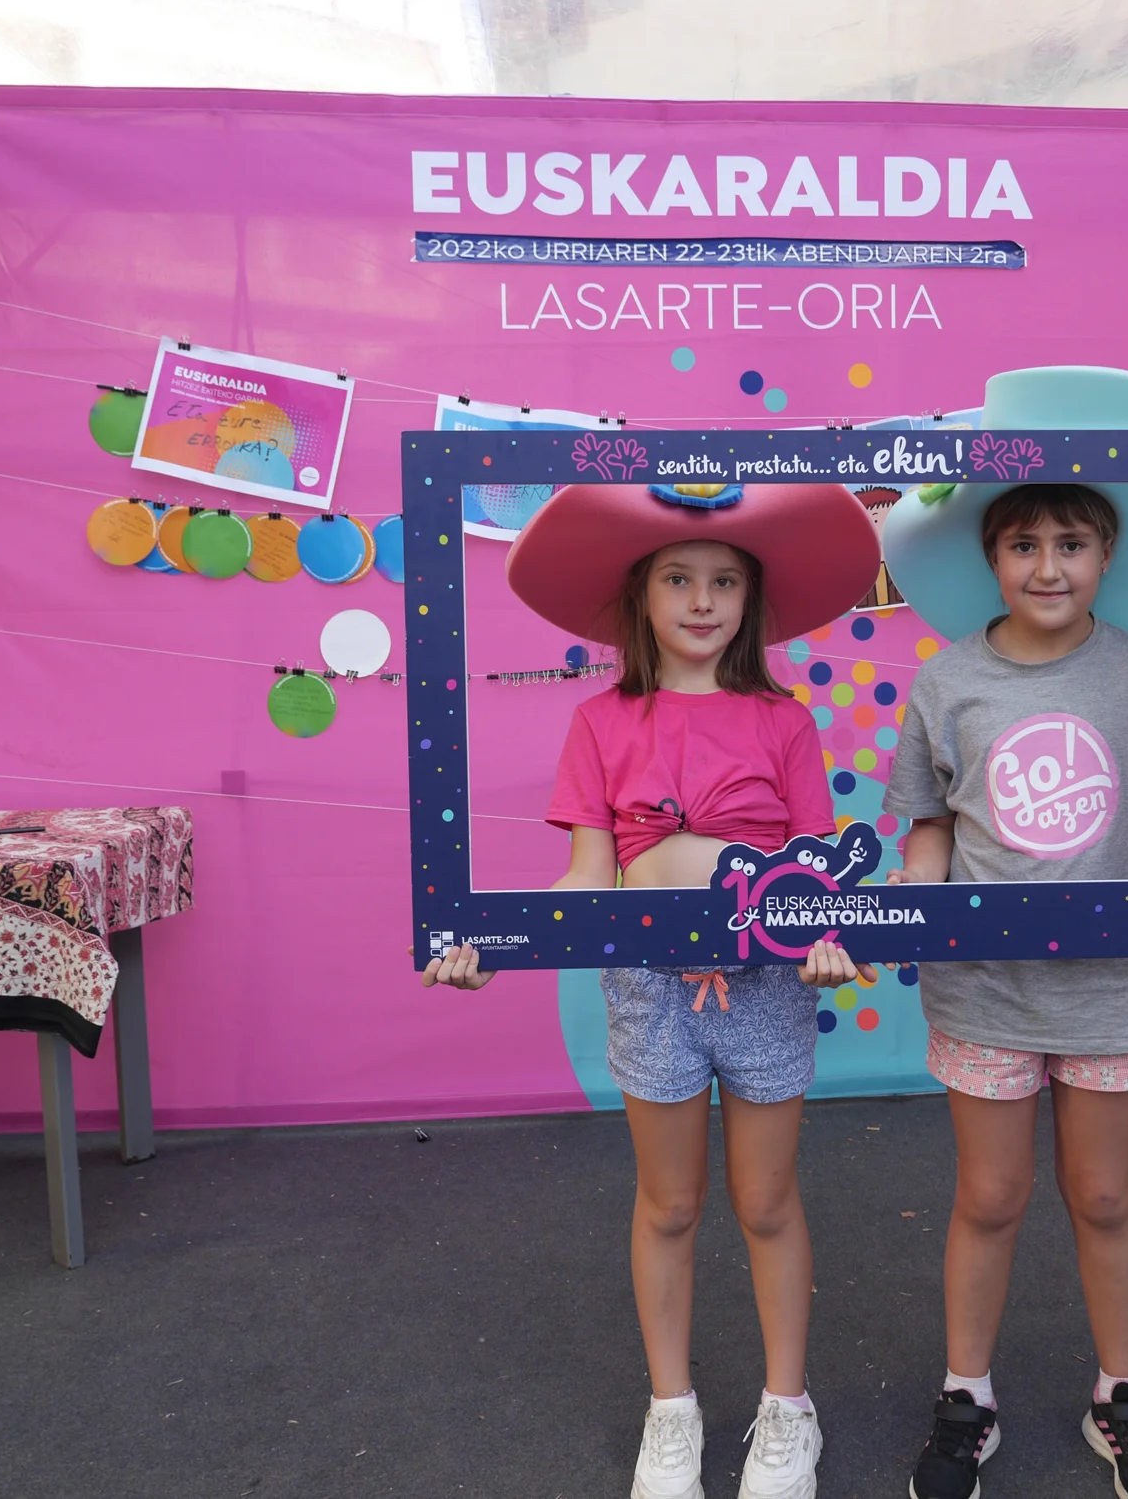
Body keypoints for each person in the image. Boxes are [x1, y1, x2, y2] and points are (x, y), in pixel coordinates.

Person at [423, 480, 882, 1499]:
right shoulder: (599, 721)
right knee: (669, 1204)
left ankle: (787, 1409)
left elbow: (815, 877)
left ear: (750, 599)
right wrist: (494, 944)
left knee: (765, 1200)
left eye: (723, 580)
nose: (701, 599)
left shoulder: (784, 722)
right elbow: (589, 879)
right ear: (640, 595)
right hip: (648, 991)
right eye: (677, 578)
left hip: (766, 989)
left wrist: (827, 939)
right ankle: (670, 1409)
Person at [877, 368, 1128, 1499]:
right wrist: (917, 899)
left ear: (1107, 555)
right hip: (985, 986)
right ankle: (966, 1396)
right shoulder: (947, 682)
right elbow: (930, 824)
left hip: (1111, 987)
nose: (1048, 567)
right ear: (990, 559)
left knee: (1102, 1197)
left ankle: (1120, 1396)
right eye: (1024, 545)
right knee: (988, 1199)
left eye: (1071, 544)